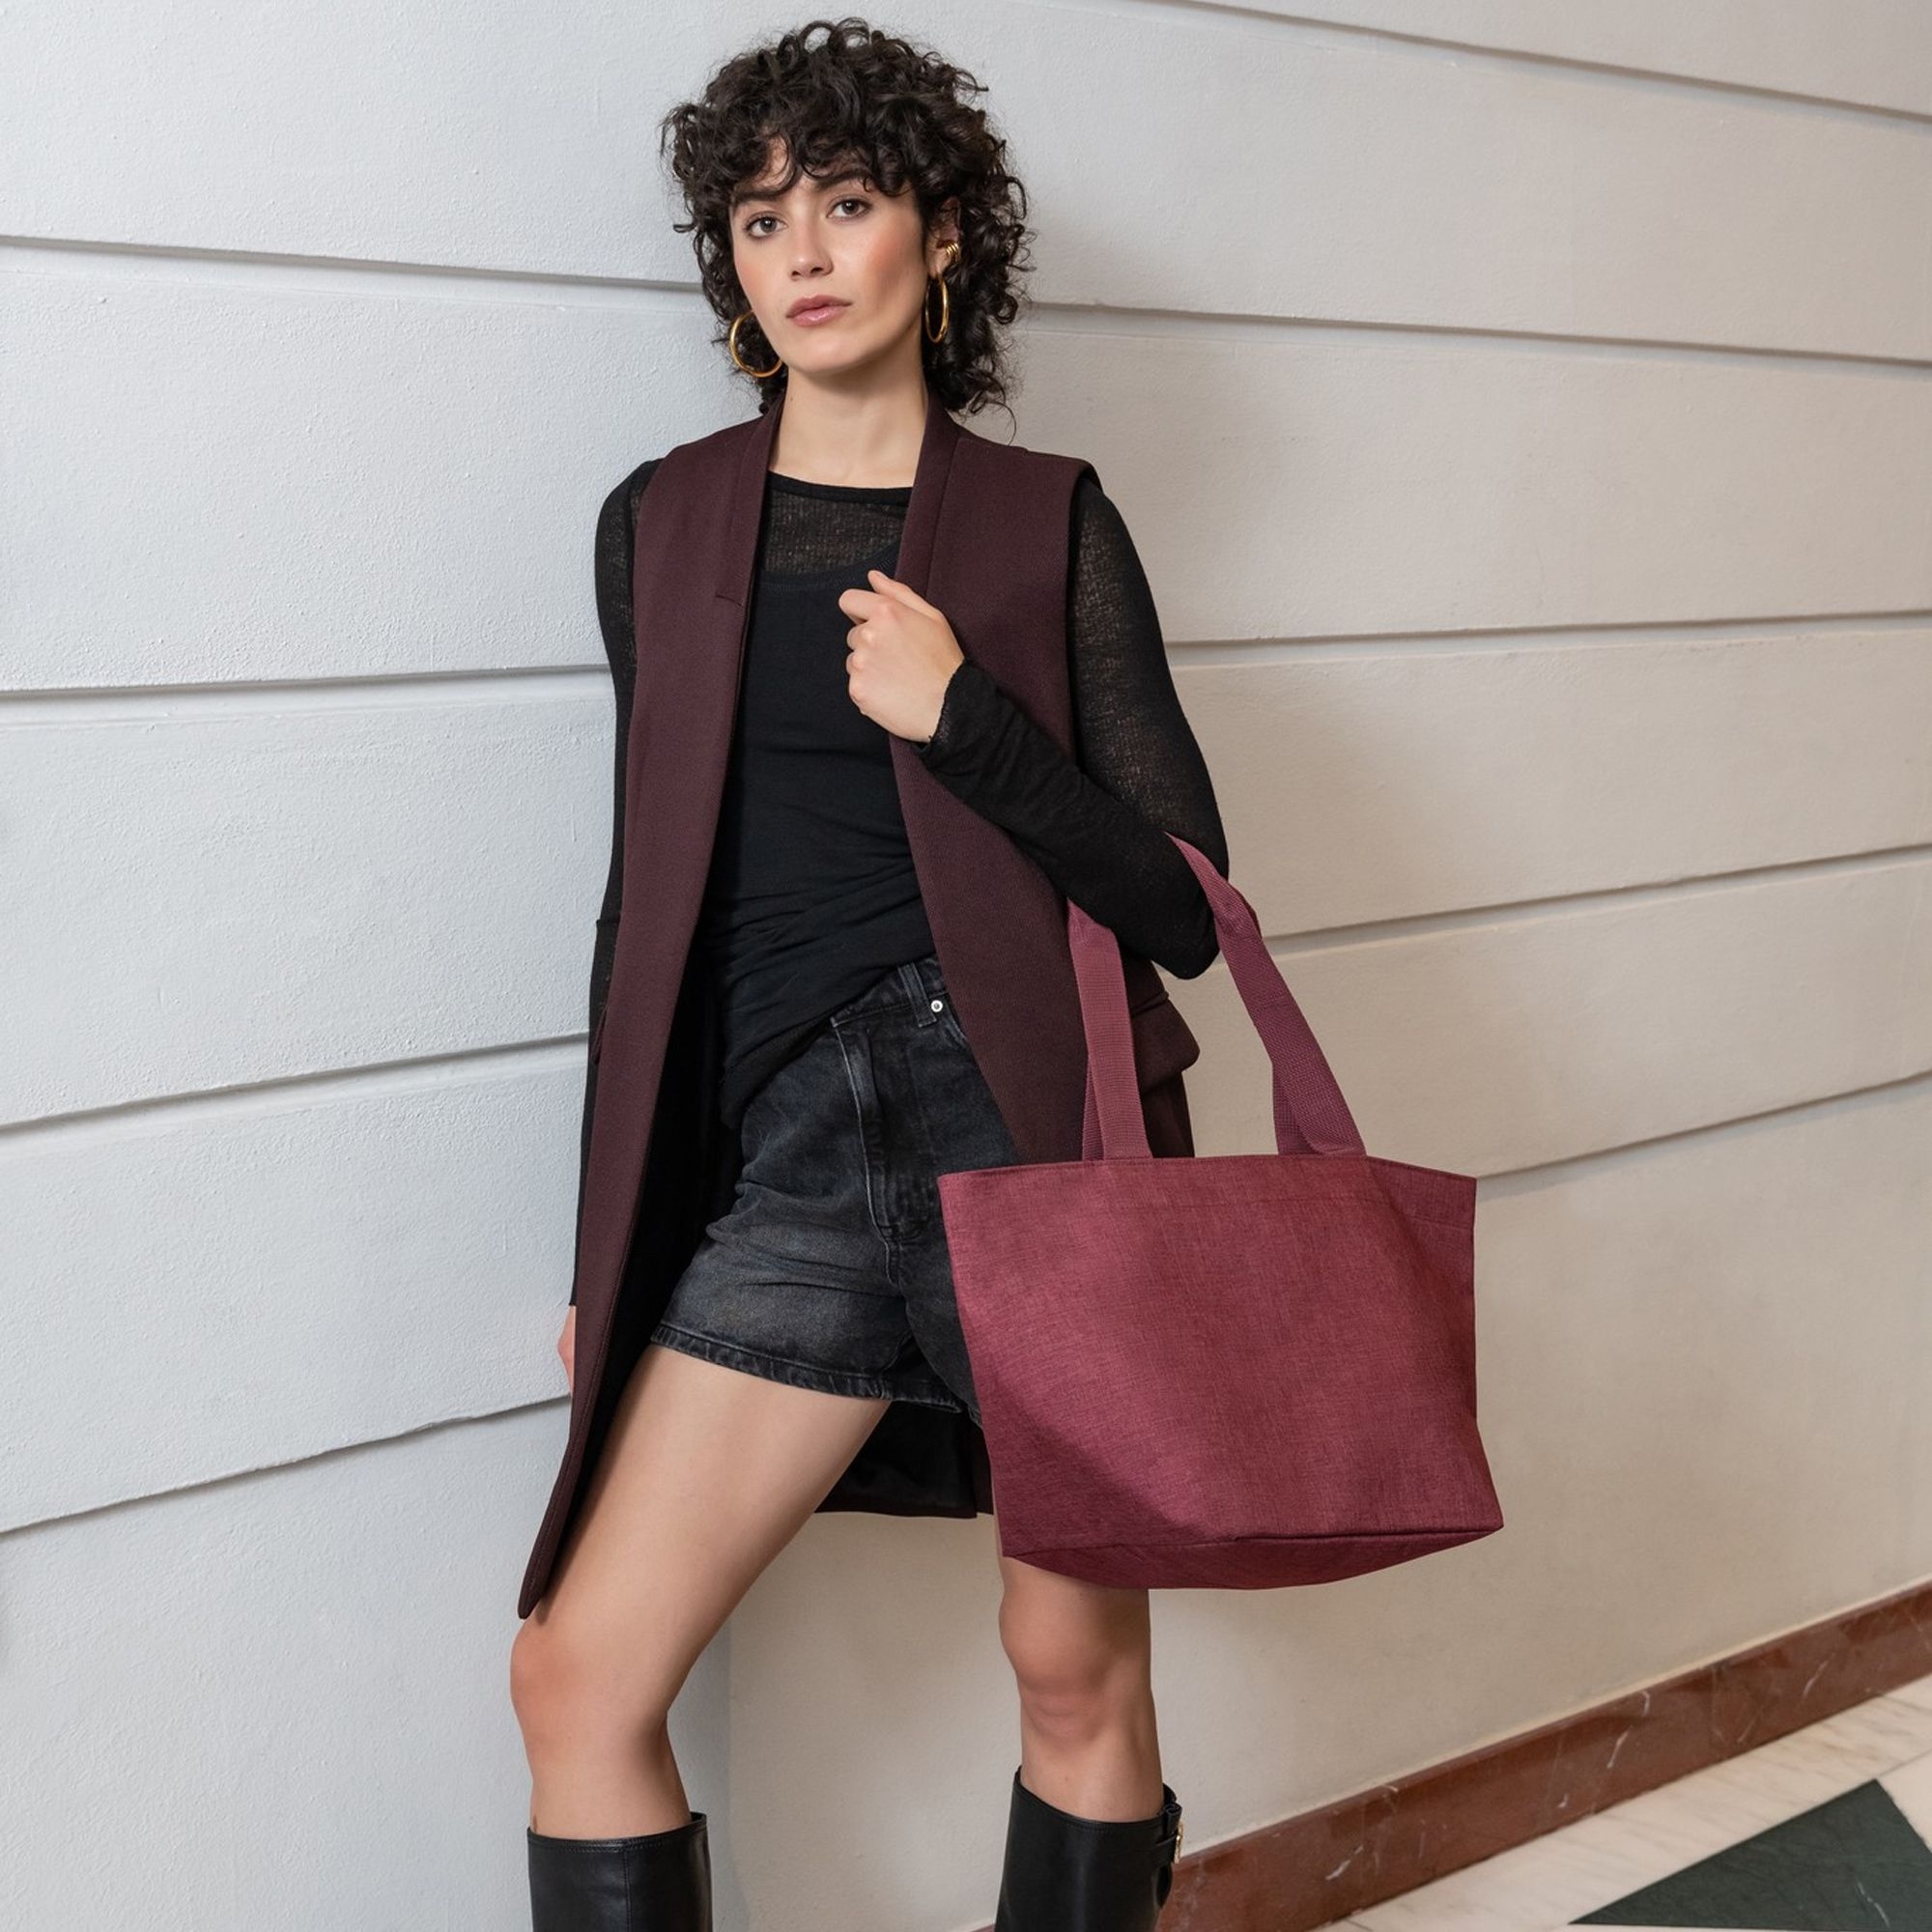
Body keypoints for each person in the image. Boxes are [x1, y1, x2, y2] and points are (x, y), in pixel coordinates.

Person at [509, 19, 1229, 1930]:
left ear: (944, 236)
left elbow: (1183, 904)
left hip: (1029, 1157)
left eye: (845, 202)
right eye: (760, 220)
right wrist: (606, 1248)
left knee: (1072, 1673)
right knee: (577, 1679)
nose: (804, 252)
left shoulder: (1047, 520)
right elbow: (641, 911)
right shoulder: (658, 523)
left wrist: (966, 718)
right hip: (798, 1168)